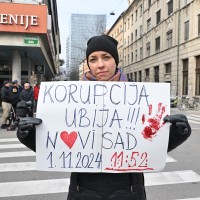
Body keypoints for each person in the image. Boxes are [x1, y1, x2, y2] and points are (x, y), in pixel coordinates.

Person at [16, 35, 191, 200]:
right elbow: (56, 148)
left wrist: (178, 133)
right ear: (88, 65)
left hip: (129, 192)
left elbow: (150, 147)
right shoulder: (69, 98)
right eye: (93, 59)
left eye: (106, 57)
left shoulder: (140, 98)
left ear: (116, 61)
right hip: (83, 192)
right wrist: (28, 135)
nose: (100, 65)